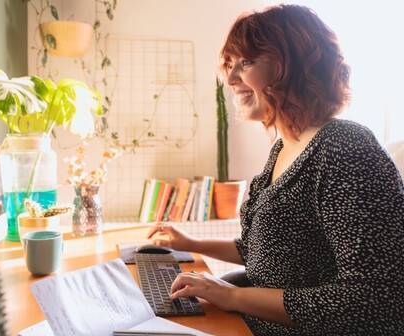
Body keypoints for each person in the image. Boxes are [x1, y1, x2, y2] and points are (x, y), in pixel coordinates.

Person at [147, 4, 404, 336]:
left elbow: (375, 300)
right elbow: (268, 254)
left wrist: (233, 296)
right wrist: (191, 242)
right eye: (230, 64)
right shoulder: (284, 148)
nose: (232, 78)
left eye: (247, 62)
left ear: (295, 66)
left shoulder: (345, 147)